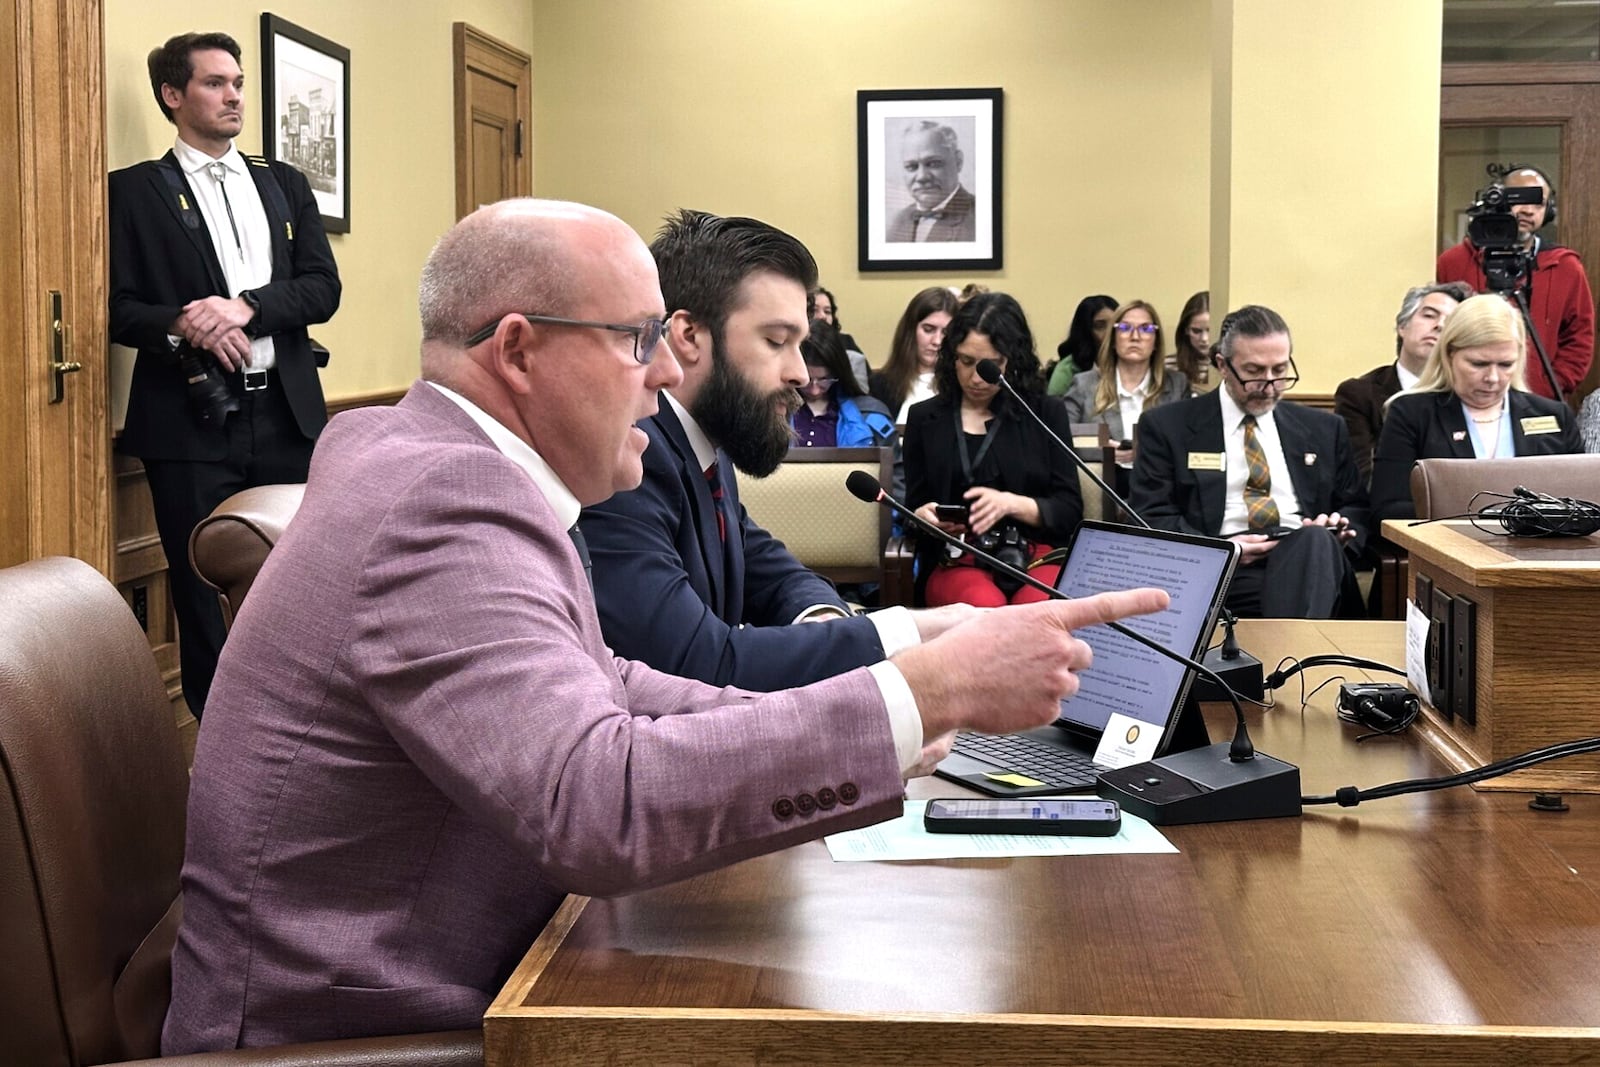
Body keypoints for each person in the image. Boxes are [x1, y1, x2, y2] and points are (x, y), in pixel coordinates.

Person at [162, 197, 1169, 1052]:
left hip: (448, 974)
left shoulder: (443, 465)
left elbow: (616, 685)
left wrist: (890, 702)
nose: (659, 375)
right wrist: (913, 696)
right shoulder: (447, 503)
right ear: (519, 348)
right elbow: (594, 801)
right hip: (361, 1029)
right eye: (636, 339)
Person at [583, 211, 942, 692]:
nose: (799, 372)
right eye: (776, 341)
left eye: (801, 344)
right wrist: (910, 634)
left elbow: (762, 563)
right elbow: (694, 662)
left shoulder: (706, 441)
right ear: (689, 336)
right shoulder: (628, 457)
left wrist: (821, 616)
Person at [108, 32, 340, 717]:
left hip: (289, 417)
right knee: (201, 593)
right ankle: (219, 751)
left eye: (237, 81)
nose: (234, 94)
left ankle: (308, 729)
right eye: (215, 83)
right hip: (188, 421)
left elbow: (323, 289)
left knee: (301, 581)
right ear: (173, 96)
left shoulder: (283, 183)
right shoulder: (132, 193)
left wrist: (244, 307)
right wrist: (187, 321)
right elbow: (116, 309)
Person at [1130, 305, 1368, 619]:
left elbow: (1357, 507)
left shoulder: (1323, 428)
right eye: (1254, 372)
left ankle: (1285, 655)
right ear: (1222, 365)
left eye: (1280, 371)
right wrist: (1226, 551)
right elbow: (1151, 516)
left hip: (1313, 561)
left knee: (1313, 540)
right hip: (1222, 572)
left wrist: (1338, 527)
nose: (1269, 385)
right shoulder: (1167, 427)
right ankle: (1296, 657)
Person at [904, 292, 1084, 607]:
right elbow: (914, 507)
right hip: (958, 556)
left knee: (1038, 609)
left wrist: (1011, 504)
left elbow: (1069, 511)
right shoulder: (924, 418)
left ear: (1012, 359)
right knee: (984, 606)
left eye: (990, 365)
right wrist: (923, 517)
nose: (976, 378)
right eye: (966, 361)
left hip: (1037, 555)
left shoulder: (1045, 413)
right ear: (951, 356)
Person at [1371, 293, 1583, 521]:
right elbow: (1387, 508)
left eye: (1505, 364)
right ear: (1449, 355)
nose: (1492, 377)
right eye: (1478, 364)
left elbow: (1584, 505)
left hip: (1541, 553)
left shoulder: (1553, 415)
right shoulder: (1411, 413)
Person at [1437, 164, 1595, 401]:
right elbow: (1439, 329)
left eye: (1538, 204)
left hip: (1537, 401)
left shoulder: (1566, 267)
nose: (1528, 211)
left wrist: (1551, 385)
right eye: (1519, 200)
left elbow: (1579, 336)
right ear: (1497, 200)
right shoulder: (1455, 261)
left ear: (1549, 211)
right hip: (1462, 399)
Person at [1334, 282, 1472, 482]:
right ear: (1402, 326)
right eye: (1429, 315)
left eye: (1450, 322)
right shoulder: (1359, 394)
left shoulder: (1466, 395)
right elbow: (1361, 476)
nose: (1439, 325)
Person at [1062, 299, 1188, 491]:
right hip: (1104, 487)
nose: (1135, 336)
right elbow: (1060, 440)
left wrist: (1145, 452)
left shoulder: (1177, 385)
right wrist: (1100, 452)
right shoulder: (1084, 385)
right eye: (1125, 328)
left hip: (1159, 487)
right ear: (1113, 339)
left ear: (1156, 341)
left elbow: (1187, 444)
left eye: (1145, 329)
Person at [793, 320, 897, 449]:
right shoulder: (773, 412)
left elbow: (894, 466)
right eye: (807, 380)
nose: (815, 390)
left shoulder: (871, 414)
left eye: (824, 379)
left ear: (838, 373)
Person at [870, 286, 960, 423]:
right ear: (910, 331)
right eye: (928, 330)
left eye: (945, 333)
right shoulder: (880, 385)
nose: (937, 341)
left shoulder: (961, 385)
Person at [886, 120, 976, 243]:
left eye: (933, 164)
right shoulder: (898, 221)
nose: (922, 177)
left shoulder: (980, 219)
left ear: (958, 162)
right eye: (911, 167)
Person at [1046, 294, 1117, 396]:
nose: (1110, 332)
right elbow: (1055, 409)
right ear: (1086, 331)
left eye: (1115, 325)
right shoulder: (1068, 370)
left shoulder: (1131, 362)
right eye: (1100, 326)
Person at [811, 285, 868, 389]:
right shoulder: (793, 345)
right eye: (814, 310)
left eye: (827, 312)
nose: (822, 316)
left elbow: (861, 391)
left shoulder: (846, 343)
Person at [1170, 290, 1214, 393]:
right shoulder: (1167, 367)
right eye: (1196, 331)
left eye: (1210, 330)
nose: (1204, 339)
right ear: (1185, 330)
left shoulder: (1231, 367)